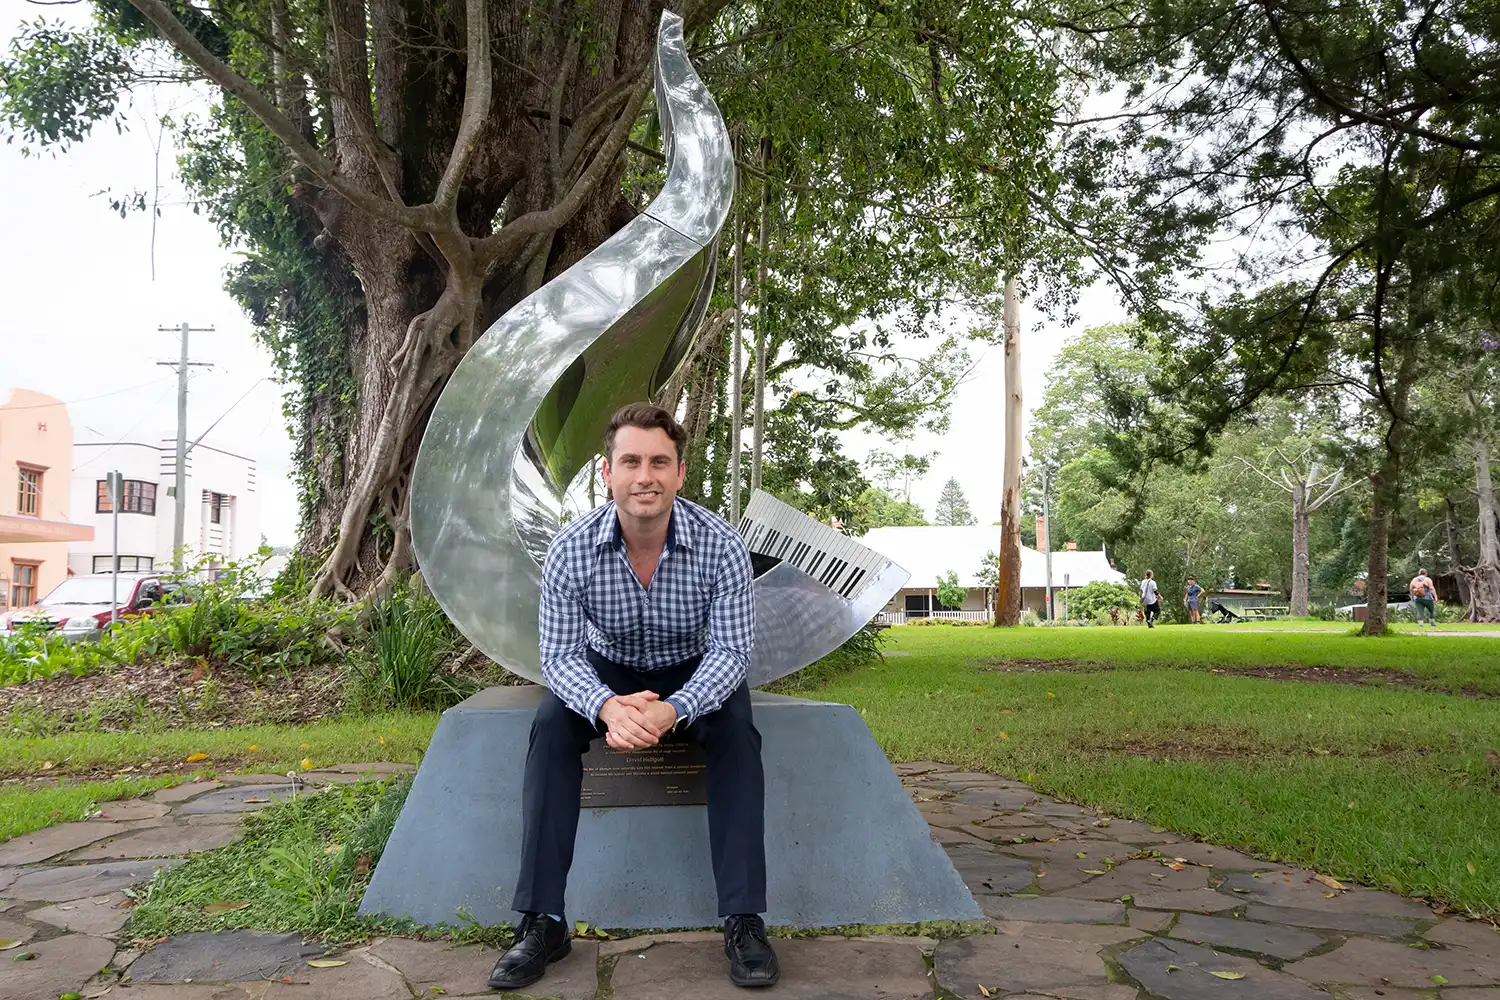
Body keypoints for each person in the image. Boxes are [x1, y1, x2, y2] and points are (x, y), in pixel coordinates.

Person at [486, 403, 776, 993]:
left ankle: (743, 919)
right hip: (607, 669)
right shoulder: (570, 549)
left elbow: (730, 652)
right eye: (632, 462)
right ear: (607, 472)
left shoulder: (722, 545)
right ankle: (543, 920)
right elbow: (560, 656)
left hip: (691, 667)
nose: (646, 476)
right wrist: (606, 706)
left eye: (659, 463)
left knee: (737, 733)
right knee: (550, 728)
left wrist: (674, 708)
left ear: (680, 473)